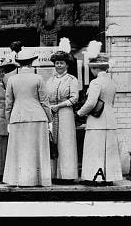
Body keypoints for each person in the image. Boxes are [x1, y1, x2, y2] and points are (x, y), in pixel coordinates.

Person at [3, 41, 53, 187]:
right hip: (38, 117)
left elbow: (8, 104)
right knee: (37, 150)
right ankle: (38, 179)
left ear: (18, 64)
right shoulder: (38, 78)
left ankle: (19, 179)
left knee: (19, 150)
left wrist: (8, 121)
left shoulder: (11, 79)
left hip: (18, 117)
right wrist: (49, 120)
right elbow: (45, 102)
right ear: (32, 63)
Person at [76, 42, 122, 185]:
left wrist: (79, 113)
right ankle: (108, 178)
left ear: (96, 68)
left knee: (95, 150)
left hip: (97, 121)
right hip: (110, 119)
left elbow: (90, 103)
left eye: (92, 68)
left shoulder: (96, 83)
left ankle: (95, 178)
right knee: (109, 151)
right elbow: (111, 103)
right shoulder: (112, 83)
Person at [46, 38, 79, 182]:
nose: (59, 65)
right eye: (57, 63)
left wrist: (58, 106)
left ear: (67, 65)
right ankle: (53, 174)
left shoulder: (72, 79)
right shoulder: (50, 80)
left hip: (65, 113)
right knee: (52, 142)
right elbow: (45, 96)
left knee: (66, 143)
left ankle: (66, 175)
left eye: (61, 63)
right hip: (52, 114)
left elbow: (74, 98)